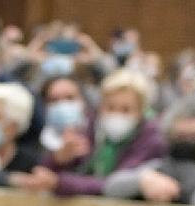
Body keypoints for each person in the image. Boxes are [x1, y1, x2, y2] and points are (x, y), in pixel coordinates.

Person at [26, 69, 162, 197]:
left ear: (141, 112)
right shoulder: (89, 130)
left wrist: (60, 183)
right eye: (110, 107)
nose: (116, 114)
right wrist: (58, 159)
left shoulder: (151, 141)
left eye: (126, 109)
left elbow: (114, 185)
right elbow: (45, 174)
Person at [103, 93, 195, 206]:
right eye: (181, 137)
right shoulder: (161, 167)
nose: (187, 143)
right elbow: (111, 186)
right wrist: (142, 182)